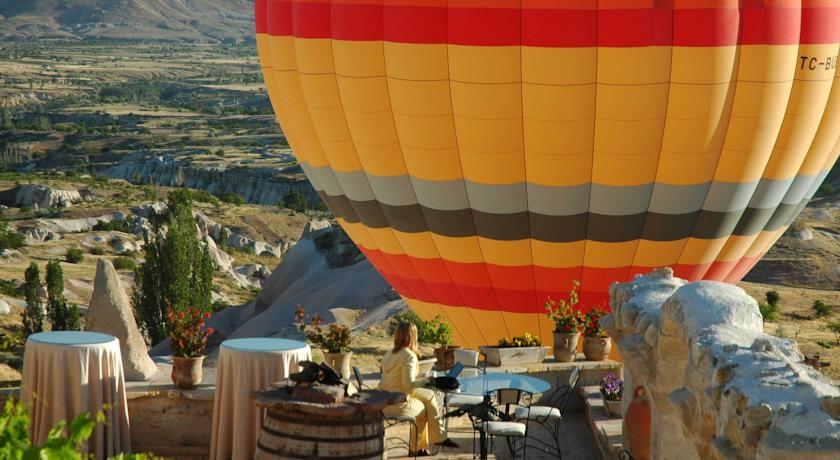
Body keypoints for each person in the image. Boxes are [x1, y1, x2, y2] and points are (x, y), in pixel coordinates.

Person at [379, 321, 459, 456]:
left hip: (384, 401)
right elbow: (408, 385)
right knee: (424, 409)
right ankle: (421, 446)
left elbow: (398, 381)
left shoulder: (389, 354)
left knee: (429, 396)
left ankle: (433, 440)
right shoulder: (408, 356)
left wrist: (423, 381)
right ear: (412, 336)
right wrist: (428, 380)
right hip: (398, 403)